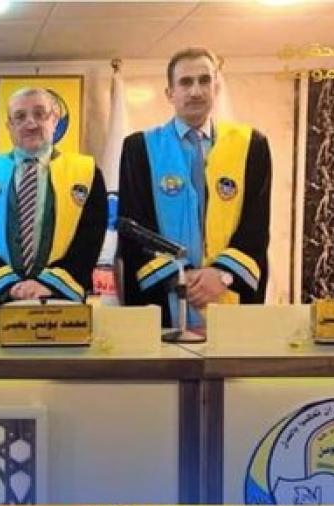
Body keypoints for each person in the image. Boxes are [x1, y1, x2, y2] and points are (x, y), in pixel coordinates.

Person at [118, 47, 272, 328]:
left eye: (204, 80)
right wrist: (180, 277)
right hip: (164, 297)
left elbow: (256, 225)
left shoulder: (251, 146)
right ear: (170, 93)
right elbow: (135, 228)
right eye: (186, 82)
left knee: (230, 355)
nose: (196, 91)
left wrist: (221, 275)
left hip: (228, 292)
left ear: (217, 87)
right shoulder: (140, 148)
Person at [0, 87, 107, 306]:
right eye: (20, 117)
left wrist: (49, 284)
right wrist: (9, 286)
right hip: (1, 300)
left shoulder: (86, 172)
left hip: (60, 302)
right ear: (9, 126)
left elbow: (90, 237)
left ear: (55, 120)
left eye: (39, 114)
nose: (31, 124)